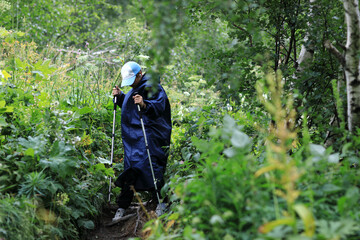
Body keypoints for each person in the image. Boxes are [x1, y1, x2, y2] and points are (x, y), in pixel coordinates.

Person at [111, 61, 172, 221]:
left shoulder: (153, 87)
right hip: (133, 138)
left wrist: (144, 104)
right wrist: (120, 98)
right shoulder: (135, 89)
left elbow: (158, 107)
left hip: (150, 136)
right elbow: (132, 106)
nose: (130, 85)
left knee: (152, 166)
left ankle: (161, 202)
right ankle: (122, 207)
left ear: (140, 74)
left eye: (132, 81)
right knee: (130, 168)